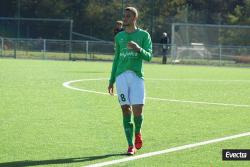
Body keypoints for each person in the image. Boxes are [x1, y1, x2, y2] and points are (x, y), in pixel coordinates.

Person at [108, 7, 152, 155]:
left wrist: (138, 49)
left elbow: (149, 57)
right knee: (125, 109)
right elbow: (116, 59)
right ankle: (130, 145)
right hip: (121, 77)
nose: (124, 19)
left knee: (138, 112)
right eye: (124, 16)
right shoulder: (118, 37)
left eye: (128, 16)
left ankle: (138, 132)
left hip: (137, 77)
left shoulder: (144, 35)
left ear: (134, 18)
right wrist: (111, 79)